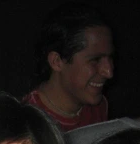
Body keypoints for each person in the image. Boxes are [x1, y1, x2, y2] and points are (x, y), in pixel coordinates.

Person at [23, 2, 114, 132]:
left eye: (110, 58)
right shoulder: (28, 123)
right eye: (95, 60)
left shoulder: (98, 106)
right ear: (57, 61)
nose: (109, 72)